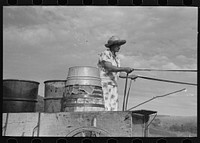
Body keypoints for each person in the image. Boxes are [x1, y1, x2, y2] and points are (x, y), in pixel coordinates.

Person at [97, 36, 134, 111]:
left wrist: (130, 76)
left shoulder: (117, 59)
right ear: (112, 46)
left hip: (113, 85)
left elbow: (118, 74)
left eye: (119, 45)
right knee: (106, 106)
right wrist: (124, 68)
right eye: (117, 45)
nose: (119, 47)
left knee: (114, 107)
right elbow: (109, 68)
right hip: (105, 84)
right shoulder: (106, 53)